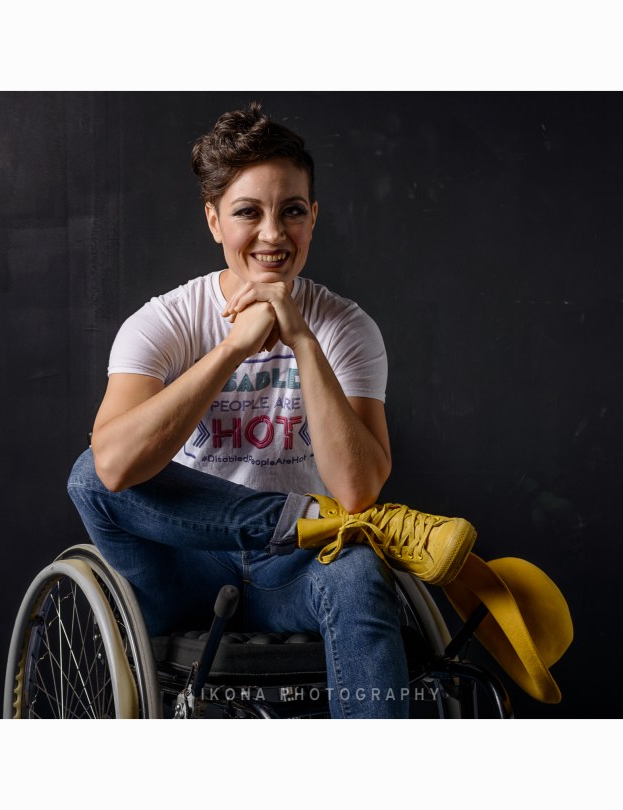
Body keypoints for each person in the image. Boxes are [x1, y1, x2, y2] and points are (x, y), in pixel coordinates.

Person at [67, 102, 476, 718]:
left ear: (313, 218)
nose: (272, 234)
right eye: (247, 213)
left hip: (297, 571)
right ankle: (295, 515)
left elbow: (360, 490)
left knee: (358, 567)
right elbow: (115, 467)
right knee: (87, 472)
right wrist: (232, 348)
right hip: (185, 571)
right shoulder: (165, 322)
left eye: (291, 212)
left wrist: (302, 339)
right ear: (213, 221)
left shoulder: (346, 328)